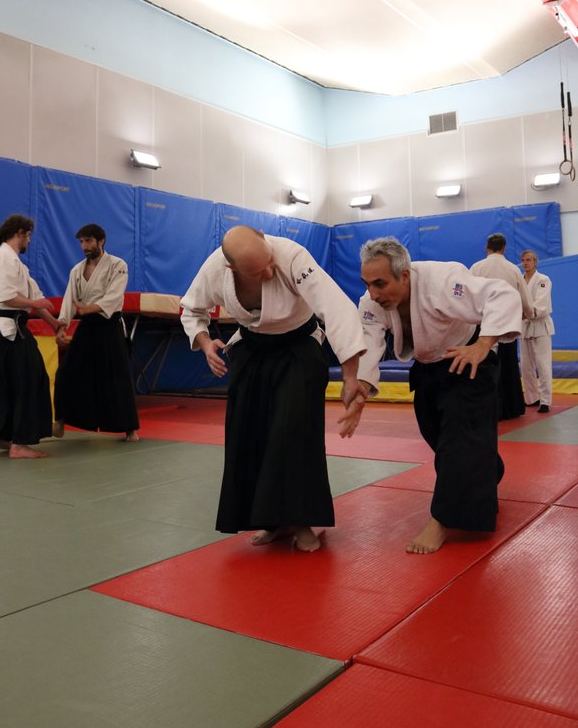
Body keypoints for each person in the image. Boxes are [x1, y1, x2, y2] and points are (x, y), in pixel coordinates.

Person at [180, 225, 366, 553]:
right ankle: (272, 521)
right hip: (252, 350)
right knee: (249, 435)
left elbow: (336, 309)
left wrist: (351, 377)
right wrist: (206, 343)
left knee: (293, 433)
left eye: (268, 261)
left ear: (265, 239)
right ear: (231, 268)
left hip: (298, 347)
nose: (269, 271)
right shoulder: (215, 269)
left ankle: (302, 521)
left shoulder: (292, 256)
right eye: (258, 271)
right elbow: (192, 309)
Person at [340, 237, 522, 555]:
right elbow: (369, 341)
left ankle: (441, 520)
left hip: (466, 360)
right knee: (437, 435)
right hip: (427, 367)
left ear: (404, 275)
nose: (373, 293)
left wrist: (483, 345)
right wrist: (361, 390)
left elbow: (501, 294)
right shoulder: (370, 302)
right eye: (367, 284)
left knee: (457, 442)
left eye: (380, 284)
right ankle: (487, 470)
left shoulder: (443, 280)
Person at [0, 214, 59, 458]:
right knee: (28, 381)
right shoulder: (2, 257)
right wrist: (35, 303)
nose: (29, 241)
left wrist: (54, 323)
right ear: (20, 233)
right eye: (29, 236)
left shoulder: (16, 263)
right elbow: (6, 297)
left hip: (9, 329)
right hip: (5, 328)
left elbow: (35, 298)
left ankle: (3, 436)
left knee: (11, 384)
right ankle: (19, 443)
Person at [53, 224, 139, 441]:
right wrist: (62, 325)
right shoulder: (76, 270)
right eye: (82, 242)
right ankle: (61, 419)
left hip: (109, 324)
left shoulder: (118, 265)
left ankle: (129, 428)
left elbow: (114, 296)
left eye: (89, 241)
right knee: (67, 372)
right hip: (87, 326)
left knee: (117, 376)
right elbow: (69, 300)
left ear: (101, 241)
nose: (84, 246)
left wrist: (88, 308)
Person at [470, 233, 533, 420]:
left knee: (485, 367)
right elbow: (525, 299)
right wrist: (529, 313)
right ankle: (510, 408)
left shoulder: (476, 268)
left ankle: (487, 409)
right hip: (507, 324)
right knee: (508, 367)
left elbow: (468, 295)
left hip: (483, 325)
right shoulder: (513, 269)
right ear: (504, 248)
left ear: (487, 247)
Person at [520, 249, 554, 413]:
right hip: (524, 327)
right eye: (523, 260)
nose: (525, 263)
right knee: (526, 366)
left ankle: (545, 400)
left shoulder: (543, 280)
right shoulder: (519, 280)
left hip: (540, 326)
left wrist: (524, 313)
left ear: (535, 262)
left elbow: (542, 305)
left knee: (543, 364)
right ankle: (532, 397)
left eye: (529, 260)